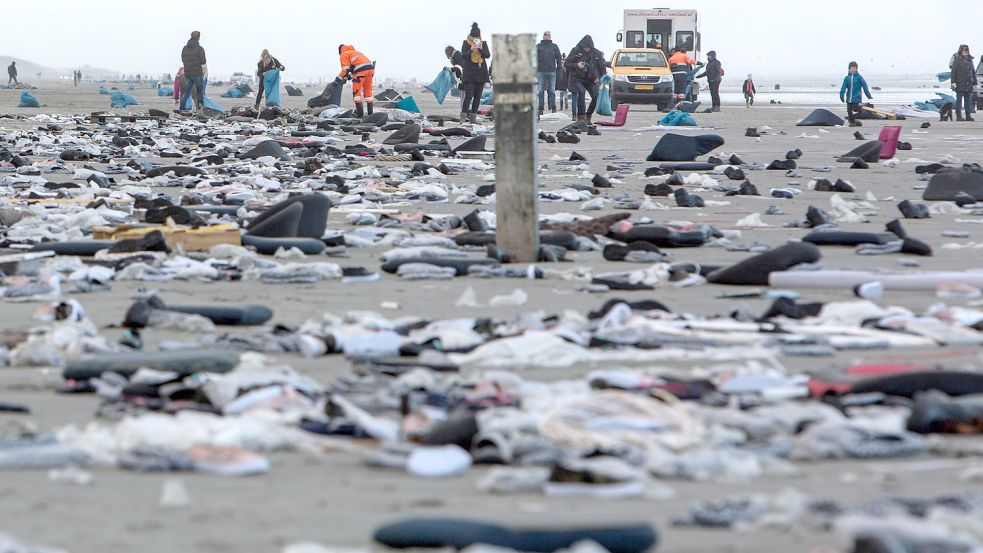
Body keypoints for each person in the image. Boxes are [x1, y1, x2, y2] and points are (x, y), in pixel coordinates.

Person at [565, 35, 605, 123]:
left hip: (591, 79)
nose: (586, 49)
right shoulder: (575, 51)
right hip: (577, 78)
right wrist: (576, 65)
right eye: (585, 47)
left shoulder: (596, 53)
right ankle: (581, 116)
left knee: (596, 96)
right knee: (581, 92)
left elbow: (601, 67)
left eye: (588, 47)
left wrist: (603, 78)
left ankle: (588, 115)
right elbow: (567, 64)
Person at [460, 22, 491, 123]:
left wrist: (481, 49)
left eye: (477, 37)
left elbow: (487, 55)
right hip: (469, 74)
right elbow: (463, 56)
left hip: (481, 74)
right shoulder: (466, 43)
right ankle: (463, 118)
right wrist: (471, 49)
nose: (475, 39)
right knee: (469, 96)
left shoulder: (483, 43)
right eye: (474, 37)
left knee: (477, 97)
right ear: (471, 36)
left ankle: (473, 118)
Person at [334, 44, 375, 117]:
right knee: (368, 93)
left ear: (340, 51)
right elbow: (356, 69)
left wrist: (337, 80)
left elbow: (345, 70)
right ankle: (370, 115)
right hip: (371, 69)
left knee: (357, 94)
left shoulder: (344, 54)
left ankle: (360, 115)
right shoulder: (355, 52)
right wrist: (347, 78)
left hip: (361, 71)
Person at [180, 31, 207, 112]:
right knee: (199, 92)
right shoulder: (200, 49)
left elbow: (182, 59)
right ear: (198, 37)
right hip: (197, 73)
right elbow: (203, 61)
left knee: (186, 93)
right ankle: (200, 109)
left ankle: (181, 109)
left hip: (188, 73)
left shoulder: (184, 48)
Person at [536, 31, 562, 116]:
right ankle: (540, 108)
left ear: (550, 37)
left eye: (548, 36)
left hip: (551, 71)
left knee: (552, 90)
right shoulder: (538, 46)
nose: (546, 37)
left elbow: (559, 58)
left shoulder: (554, 46)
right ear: (543, 36)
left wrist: (559, 69)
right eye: (545, 35)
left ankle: (553, 107)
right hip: (540, 71)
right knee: (540, 91)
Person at [839, 61, 872, 127]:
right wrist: (841, 96)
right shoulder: (846, 78)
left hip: (857, 97)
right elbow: (843, 88)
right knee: (849, 111)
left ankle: (860, 108)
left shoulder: (859, 77)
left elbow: (865, 86)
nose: (854, 69)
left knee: (855, 109)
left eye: (855, 68)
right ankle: (852, 122)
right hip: (849, 98)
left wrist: (868, 95)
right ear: (849, 69)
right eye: (853, 68)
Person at [950, 45, 978, 122]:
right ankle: (959, 116)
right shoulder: (957, 60)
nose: (965, 51)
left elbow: (973, 72)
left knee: (968, 101)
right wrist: (953, 82)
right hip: (960, 83)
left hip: (969, 84)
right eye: (964, 50)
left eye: (966, 50)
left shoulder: (970, 60)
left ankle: (968, 116)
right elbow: (953, 72)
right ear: (961, 51)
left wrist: (975, 83)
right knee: (959, 101)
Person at [445, 45, 467, 114]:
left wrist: (449, 69)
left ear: (449, 51)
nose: (446, 55)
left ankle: (465, 112)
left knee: (464, 97)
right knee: (464, 96)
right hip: (463, 78)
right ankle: (465, 112)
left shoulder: (457, 56)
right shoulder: (456, 55)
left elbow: (460, 67)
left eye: (446, 53)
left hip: (464, 79)